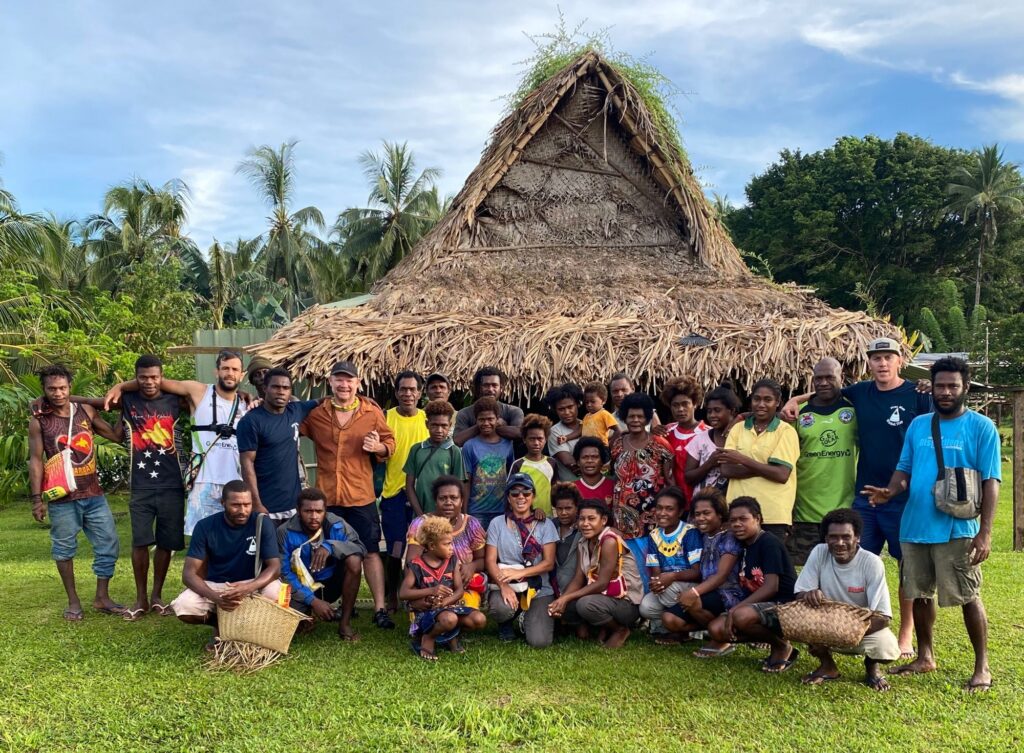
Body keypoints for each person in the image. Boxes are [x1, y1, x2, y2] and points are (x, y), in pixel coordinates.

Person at [782, 337, 931, 658]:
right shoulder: (860, 392)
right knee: (854, 560)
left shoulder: (917, 394)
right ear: (869, 363)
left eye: (888, 357)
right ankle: (848, 625)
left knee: (906, 566)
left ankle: (905, 635)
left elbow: (935, 429)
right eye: (876, 358)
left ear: (899, 361)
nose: (882, 363)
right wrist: (795, 398)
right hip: (865, 497)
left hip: (904, 495)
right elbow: (827, 390)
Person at [863, 357, 1000, 692]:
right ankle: (925, 655)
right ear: (932, 388)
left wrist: (984, 532)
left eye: (953, 386)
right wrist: (890, 490)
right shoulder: (919, 425)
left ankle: (982, 666)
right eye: (940, 386)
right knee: (919, 594)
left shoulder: (982, 427)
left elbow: (991, 481)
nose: (946, 392)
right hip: (914, 525)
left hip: (957, 528)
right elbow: (904, 468)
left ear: (965, 387)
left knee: (968, 595)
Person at [104, 349, 251, 536]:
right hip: (203, 481)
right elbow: (155, 381)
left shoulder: (249, 405)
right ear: (217, 371)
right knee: (201, 538)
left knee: (235, 536)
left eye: (235, 369)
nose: (230, 373)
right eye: (225, 368)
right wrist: (121, 386)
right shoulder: (199, 391)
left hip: (236, 483)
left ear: (242, 374)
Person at [300, 359, 396, 630]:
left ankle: (379, 609)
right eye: (338, 379)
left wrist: (378, 447)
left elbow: (391, 443)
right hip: (327, 499)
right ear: (330, 382)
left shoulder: (371, 413)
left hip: (361, 496)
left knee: (370, 551)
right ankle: (339, 603)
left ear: (358, 383)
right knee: (330, 552)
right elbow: (292, 423)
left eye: (349, 380)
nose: (344, 384)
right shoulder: (316, 414)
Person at [29, 364, 124, 621]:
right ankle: (73, 601)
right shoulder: (39, 420)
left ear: (70, 387)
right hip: (61, 498)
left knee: (108, 545)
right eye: (52, 389)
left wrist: (125, 415)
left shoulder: (86, 410)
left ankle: (102, 597)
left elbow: (115, 436)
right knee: (64, 550)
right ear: (44, 390)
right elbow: (36, 460)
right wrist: (37, 499)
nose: (58, 393)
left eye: (62, 388)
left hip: (93, 494)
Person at [793, 509, 900, 691]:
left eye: (846, 536)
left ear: (857, 537)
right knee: (801, 621)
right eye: (833, 537)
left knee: (887, 648)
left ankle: (872, 667)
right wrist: (809, 594)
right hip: (826, 625)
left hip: (860, 628)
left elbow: (883, 617)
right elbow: (799, 593)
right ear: (826, 539)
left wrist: (847, 631)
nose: (839, 543)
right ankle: (827, 666)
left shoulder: (872, 562)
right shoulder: (819, 552)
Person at [116, 355, 187, 620]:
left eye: (154, 377)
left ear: (162, 376)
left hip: (172, 483)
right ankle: (140, 598)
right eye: (143, 377)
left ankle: (157, 596)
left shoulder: (176, 401)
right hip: (140, 485)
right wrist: (72, 400)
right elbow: (97, 404)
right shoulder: (127, 400)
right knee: (140, 541)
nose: (149, 382)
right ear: (136, 377)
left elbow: (207, 398)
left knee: (167, 543)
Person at [170, 480, 281, 648]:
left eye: (247, 504)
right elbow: (188, 574)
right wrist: (217, 598)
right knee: (184, 606)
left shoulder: (261, 522)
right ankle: (221, 626)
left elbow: (274, 568)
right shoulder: (205, 527)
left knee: (276, 592)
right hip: (217, 586)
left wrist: (248, 587)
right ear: (223, 503)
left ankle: (244, 628)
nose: (242, 511)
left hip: (251, 583)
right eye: (236, 505)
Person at [707, 497, 799, 672]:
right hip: (758, 606)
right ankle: (770, 639)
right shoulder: (743, 544)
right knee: (716, 629)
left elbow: (772, 586)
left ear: (758, 519)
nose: (737, 524)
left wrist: (735, 610)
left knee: (741, 616)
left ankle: (781, 646)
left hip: (785, 605)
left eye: (743, 519)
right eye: (733, 520)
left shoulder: (769, 543)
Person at [789, 358, 858, 566]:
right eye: (818, 378)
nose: (823, 383)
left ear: (841, 378)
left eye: (830, 377)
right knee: (802, 572)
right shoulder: (798, 414)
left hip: (844, 509)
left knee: (842, 570)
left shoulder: (855, 410)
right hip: (804, 509)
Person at [547, 499, 644, 648]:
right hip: (604, 598)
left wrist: (567, 598)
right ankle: (598, 627)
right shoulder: (583, 542)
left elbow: (602, 583)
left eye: (591, 519)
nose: (585, 524)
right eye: (582, 519)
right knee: (564, 602)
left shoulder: (609, 541)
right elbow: (578, 578)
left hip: (626, 603)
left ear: (604, 520)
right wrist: (562, 599)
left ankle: (620, 630)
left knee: (585, 604)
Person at [277, 488, 364, 641]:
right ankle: (308, 614)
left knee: (354, 561)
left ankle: (344, 623)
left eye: (318, 511)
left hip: (332, 583)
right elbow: (283, 573)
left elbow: (360, 548)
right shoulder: (285, 531)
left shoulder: (336, 524)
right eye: (308, 511)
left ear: (325, 511)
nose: (314, 516)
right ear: (298, 511)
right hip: (301, 588)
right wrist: (313, 600)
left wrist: (330, 546)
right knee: (293, 628)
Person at [719, 379, 799, 543]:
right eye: (757, 399)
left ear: (778, 403)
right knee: (736, 566)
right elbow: (726, 470)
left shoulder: (786, 431)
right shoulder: (738, 429)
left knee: (767, 566)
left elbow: (782, 475)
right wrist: (767, 468)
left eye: (768, 400)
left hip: (772, 514)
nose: (761, 404)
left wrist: (741, 459)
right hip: (738, 514)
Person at [237, 368, 319, 524]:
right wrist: (256, 503)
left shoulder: (296, 410)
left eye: (286, 388)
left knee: (294, 548)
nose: (281, 391)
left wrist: (362, 400)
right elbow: (246, 463)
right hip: (267, 507)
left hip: (294, 505)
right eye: (276, 387)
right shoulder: (251, 421)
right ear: (265, 388)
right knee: (268, 549)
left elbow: (323, 400)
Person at [610, 392, 674, 589]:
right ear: (624, 418)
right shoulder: (617, 444)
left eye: (640, 416)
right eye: (631, 416)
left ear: (647, 418)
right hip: (623, 516)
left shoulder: (660, 445)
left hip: (652, 517)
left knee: (652, 564)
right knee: (630, 567)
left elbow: (669, 480)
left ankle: (651, 610)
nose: (635, 420)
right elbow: (615, 475)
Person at [485, 473, 558, 646]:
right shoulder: (497, 523)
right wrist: (503, 586)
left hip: (539, 587)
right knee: (500, 609)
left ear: (533, 496)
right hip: (509, 583)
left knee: (539, 642)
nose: (521, 497)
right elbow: (490, 561)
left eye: (526, 493)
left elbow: (548, 562)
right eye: (515, 493)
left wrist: (520, 572)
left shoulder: (545, 524)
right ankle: (506, 621)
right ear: (508, 498)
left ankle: (526, 616)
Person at [400, 516, 486, 660]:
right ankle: (427, 637)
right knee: (449, 619)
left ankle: (449, 636)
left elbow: (459, 591)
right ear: (432, 546)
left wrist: (446, 602)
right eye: (447, 544)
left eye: (451, 543)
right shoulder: (416, 565)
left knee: (479, 619)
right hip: (426, 613)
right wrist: (431, 591)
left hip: (449, 608)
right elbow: (403, 593)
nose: (452, 548)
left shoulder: (452, 561)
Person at [671, 488, 744, 657]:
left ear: (720, 514)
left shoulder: (729, 537)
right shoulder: (700, 535)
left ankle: (722, 638)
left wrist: (693, 592)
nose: (701, 518)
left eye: (706, 513)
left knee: (693, 601)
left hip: (728, 593)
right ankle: (717, 628)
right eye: (697, 514)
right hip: (707, 591)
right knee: (670, 620)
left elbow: (722, 575)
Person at [381, 371, 429, 612]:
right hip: (394, 495)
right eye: (403, 389)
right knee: (395, 549)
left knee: (423, 548)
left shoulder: (427, 419)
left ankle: (419, 594)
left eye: (413, 389)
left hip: (422, 495)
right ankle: (392, 594)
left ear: (420, 393)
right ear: (396, 392)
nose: (408, 394)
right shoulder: (385, 417)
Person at [638, 487, 703, 640]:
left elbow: (697, 572)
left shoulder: (689, 532)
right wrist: (657, 583)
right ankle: (674, 624)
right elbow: (655, 571)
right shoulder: (654, 534)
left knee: (669, 591)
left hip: (689, 584)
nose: (662, 513)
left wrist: (672, 577)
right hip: (667, 585)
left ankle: (691, 627)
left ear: (680, 512)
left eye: (669, 509)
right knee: (646, 607)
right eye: (659, 508)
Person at [406, 476, 487, 588]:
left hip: (464, 585)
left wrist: (472, 566)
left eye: (454, 498)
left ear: (462, 501)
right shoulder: (421, 524)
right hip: (430, 586)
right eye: (443, 498)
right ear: (435, 501)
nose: (448, 502)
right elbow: (411, 564)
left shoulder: (470, 524)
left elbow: (483, 560)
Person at [462, 397, 515, 531]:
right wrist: (464, 512)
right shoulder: (470, 446)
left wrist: (511, 507)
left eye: (490, 419)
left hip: (501, 510)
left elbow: (510, 476)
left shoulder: (507, 444)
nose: (486, 423)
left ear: (497, 419)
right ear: (476, 420)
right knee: (477, 551)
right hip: (476, 511)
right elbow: (466, 481)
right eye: (481, 419)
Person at [404, 400, 465, 515]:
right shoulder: (416, 450)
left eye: (444, 426)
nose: (439, 430)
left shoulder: (454, 451)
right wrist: (420, 515)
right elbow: (409, 486)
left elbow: (459, 488)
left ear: (450, 426)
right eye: (434, 425)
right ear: (427, 424)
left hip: (447, 517)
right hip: (421, 513)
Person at [685, 384, 742, 495]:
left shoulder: (744, 438)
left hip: (734, 504)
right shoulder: (700, 440)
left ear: (732, 411)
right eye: (709, 411)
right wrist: (710, 463)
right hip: (704, 505)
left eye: (717, 410)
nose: (712, 415)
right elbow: (688, 478)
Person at [659, 376, 707, 508]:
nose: (680, 409)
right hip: (673, 505)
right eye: (675, 405)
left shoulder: (708, 434)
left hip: (701, 503)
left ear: (695, 404)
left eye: (685, 404)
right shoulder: (666, 433)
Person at [453, 366, 523, 446]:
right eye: (486, 385)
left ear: (501, 388)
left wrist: (487, 425)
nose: (490, 389)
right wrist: (488, 424)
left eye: (494, 385)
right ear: (478, 388)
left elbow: (520, 434)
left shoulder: (513, 411)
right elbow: (457, 441)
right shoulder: (465, 413)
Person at [509, 414, 560, 515]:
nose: (536, 443)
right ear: (524, 440)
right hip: (524, 517)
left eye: (540, 439)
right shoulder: (518, 464)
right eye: (532, 439)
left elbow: (555, 490)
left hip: (547, 517)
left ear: (546, 440)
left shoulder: (552, 463)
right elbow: (511, 493)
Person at [544, 383, 584, 481]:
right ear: (555, 410)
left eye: (570, 407)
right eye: (561, 409)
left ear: (578, 404)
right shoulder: (555, 432)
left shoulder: (588, 425)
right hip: (570, 488)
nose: (566, 412)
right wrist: (591, 479)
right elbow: (569, 463)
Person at [551, 483, 581, 596]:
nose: (563, 513)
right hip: (552, 588)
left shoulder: (584, 528)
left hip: (577, 590)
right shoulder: (550, 526)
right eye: (559, 509)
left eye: (568, 508)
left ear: (577, 507)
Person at [573, 437, 616, 505]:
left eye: (595, 457)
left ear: (602, 461)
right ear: (578, 462)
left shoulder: (614, 486)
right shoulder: (572, 488)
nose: (589, 461)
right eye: (585, 457)